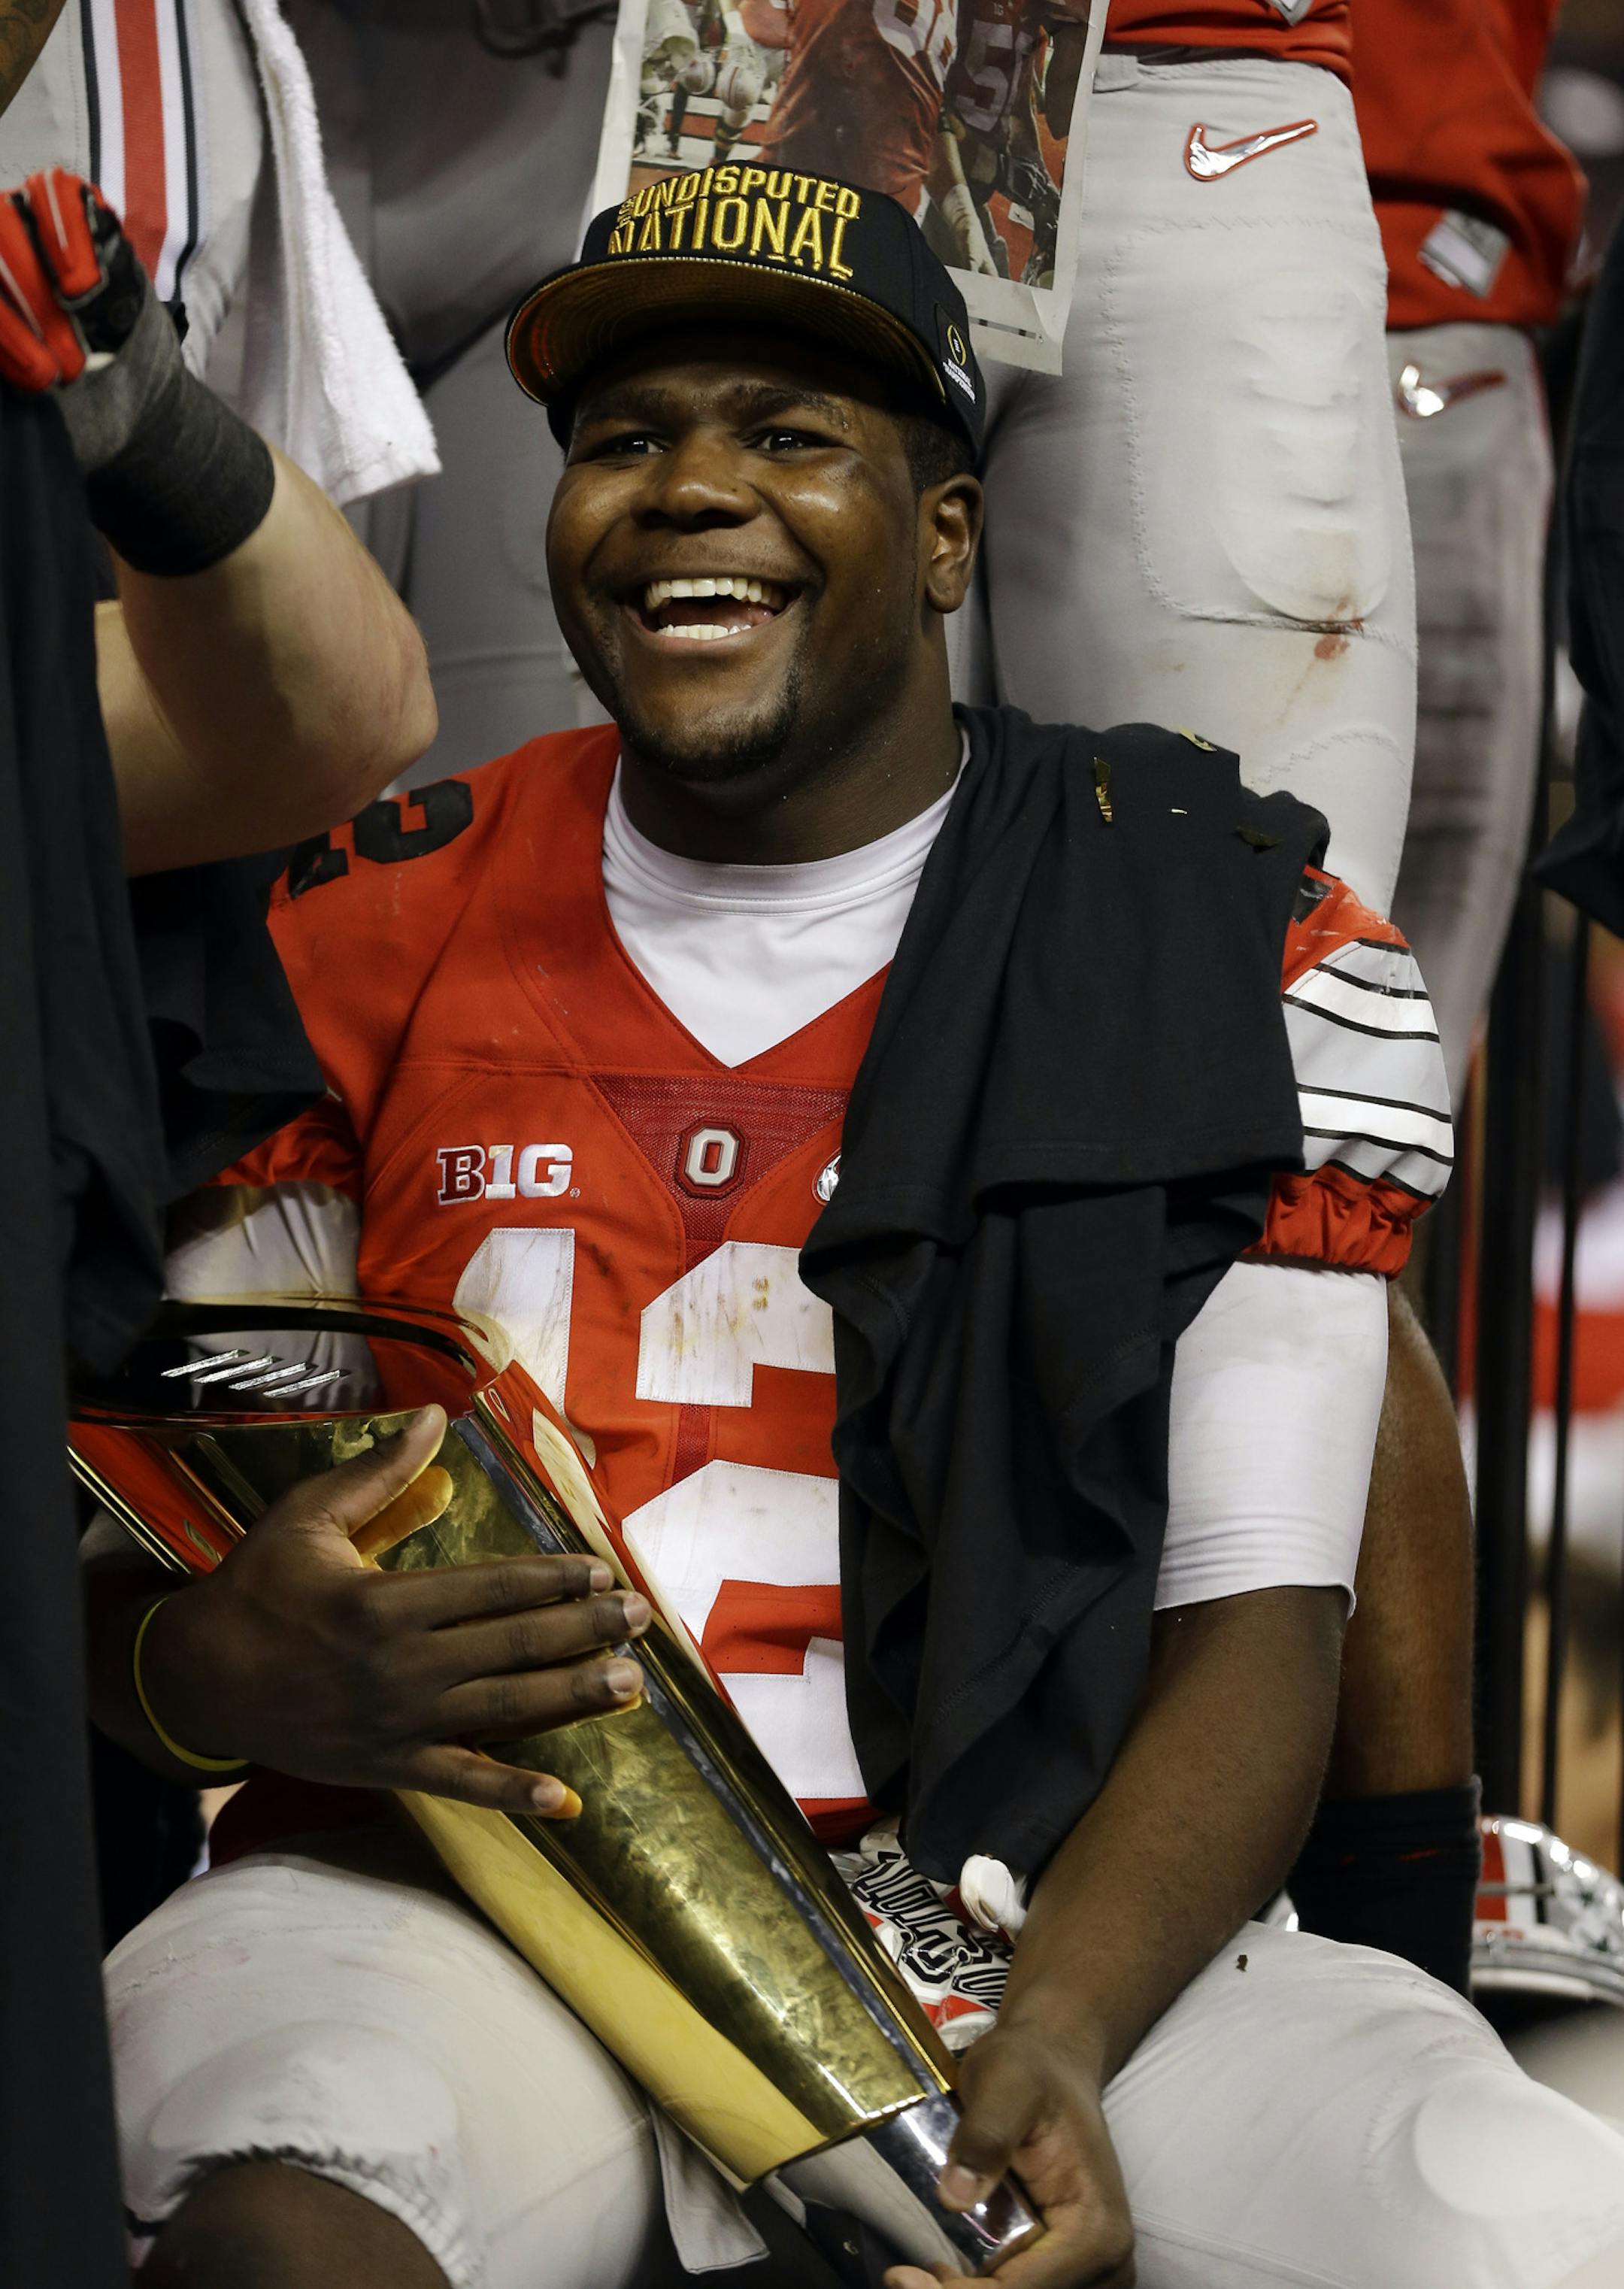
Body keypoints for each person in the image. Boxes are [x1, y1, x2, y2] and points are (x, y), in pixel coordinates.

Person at [82, 177, 1624, 2289]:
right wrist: (206, 1667)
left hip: (1055, 1916)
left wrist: (1070, 2026)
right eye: (625, 440)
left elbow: (1261, 1626)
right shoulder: (370, 922)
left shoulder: (1211, 931)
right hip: (466, 1891)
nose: (690, 489)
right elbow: (160, 1546)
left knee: (1521, 2222)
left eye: (792, 435)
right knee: (278, 2230)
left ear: (949, 536)